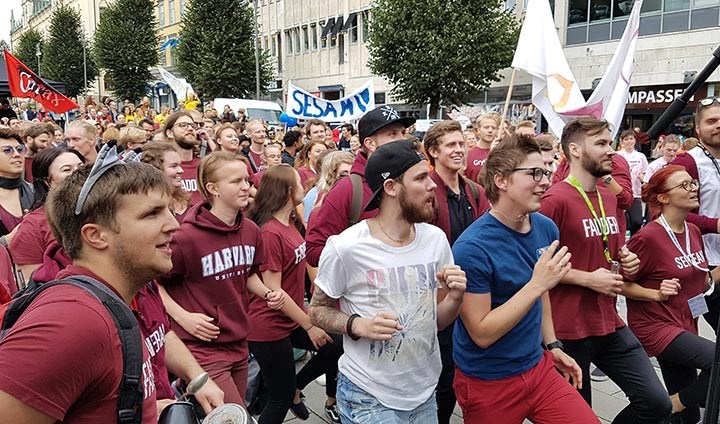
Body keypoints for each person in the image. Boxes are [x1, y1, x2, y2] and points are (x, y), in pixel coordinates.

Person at [0, 158, 176, 422]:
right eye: (152, 214)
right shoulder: (73, 320)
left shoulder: (110, 303)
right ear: (95, 235)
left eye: (169, 210)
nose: (173, 224)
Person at [308, 139, 466, 423]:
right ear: (391, 187)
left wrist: (455, 298)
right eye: (421, 177)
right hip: (367, 395)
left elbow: (437, 322)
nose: (432, 185)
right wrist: (358, 324)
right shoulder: (347, 246)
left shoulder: (436, 240)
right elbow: (317, 310)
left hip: (423, 391)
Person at [452, 135, 598, 424]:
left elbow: (540, 295)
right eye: (535, 173)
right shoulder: (471, 248)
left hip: (538, 368)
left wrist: (553, 345)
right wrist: (537, 284)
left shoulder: (545, 228)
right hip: (489, 381)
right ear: (502, 180)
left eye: (547, 171)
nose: (545, 181)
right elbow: (481, 333)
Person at [539, 117, 672, 423]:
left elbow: (607, 249)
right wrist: (587, 278)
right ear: (574, 150)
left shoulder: (609, 196)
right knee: (579, 417)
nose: (610, 151)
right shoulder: (553, 200)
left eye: (610, 143)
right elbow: (535, 269)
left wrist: (626, 260)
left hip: (609, 321)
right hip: (567, 329)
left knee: (656, 403)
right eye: (600, 143)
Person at [158, 151, 285, 406]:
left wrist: (268, 293)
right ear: (212, 188)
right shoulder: (186, 238)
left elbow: (247, 274)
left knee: (230, 412)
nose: (246, 187)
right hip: (201, 347)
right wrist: (183, 316)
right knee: (233, 415)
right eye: (236, 181)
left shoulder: (250, 230)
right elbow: (151, 283)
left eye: (247, 180)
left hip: (238, 341)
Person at [247, 165, 343, 423]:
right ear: (289, 191)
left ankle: (297, 390)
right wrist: (309, 325)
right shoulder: (269, 232)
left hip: (291, 317)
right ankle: (291, 393)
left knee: (337, 348)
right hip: (269, 326)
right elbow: (273, 289)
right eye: (300, 184)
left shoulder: (288, 222)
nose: (305, 187)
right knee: (279, 397)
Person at [625, 165, 718, 424]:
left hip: (685, 322)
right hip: (655, 325)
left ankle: (671, 409)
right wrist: (655, 293)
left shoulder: (693, 230)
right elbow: (618, 284)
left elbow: (702, 278)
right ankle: (671, 405)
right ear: (663, 198)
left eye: (693, 184)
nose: (693, 189)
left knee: (688, 415)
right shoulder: (648, 237)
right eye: (684, 185)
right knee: (714, 365)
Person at [423, 120, 490, 423]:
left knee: (466, 366)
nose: (460, 150)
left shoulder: (474, 191)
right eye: (451, 145)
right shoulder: (426, 192)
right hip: (438, 296)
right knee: (443, 373)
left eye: (462, 143)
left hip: (473, 292)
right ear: (433, 151)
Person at [305, 105, 414, 267]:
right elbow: (314, 251)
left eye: (402, 133)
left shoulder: (411, 181)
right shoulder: (348, 189)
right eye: (392, 134)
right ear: (370, 143)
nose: (402, 140)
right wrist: (363, 253)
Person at [671, 97, 720, 333]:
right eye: (712, 121)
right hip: (704, 260)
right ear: (698, 129)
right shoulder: (688, 161)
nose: (718, 125)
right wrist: (715, 225)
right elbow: (669, 214)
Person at [9, 147, 85, 281]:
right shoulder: (34, 226)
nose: (78, 174)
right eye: (67, 170)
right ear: (48, 181)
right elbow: (31, 285)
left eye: (81, 167)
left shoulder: (105, 210)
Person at [141, 141, 192, 220]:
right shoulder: (148, 208)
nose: (181, 170)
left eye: (180, 165)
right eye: (174, 166)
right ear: (156, 170)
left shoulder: (187, 199)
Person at [163, 111, 204, 204]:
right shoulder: (162, 167)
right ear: (169, 133)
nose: (190, 129)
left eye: (192, 125)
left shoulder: (205, 165)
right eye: (183, 125)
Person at [0, 129, 33, 240]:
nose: (17, 154)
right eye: (7, 150)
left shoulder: (37, 193)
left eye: (20, 149)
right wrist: (6, 241)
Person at [616, 130, 648, 235]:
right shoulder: (617, 155)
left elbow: (645, 174)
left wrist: (642, 178)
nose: (629, 141)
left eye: (631, 139)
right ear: (621, 142)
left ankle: (634, 243)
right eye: (626, 139)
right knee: (620, 221)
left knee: (637, 221)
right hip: (620, 192)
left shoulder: (641, 156)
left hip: (635, 194)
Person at [465, 111, 500, 184]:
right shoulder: (468, 155)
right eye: (486, 127)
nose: (490, 130)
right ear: (478, 131)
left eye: (493, 128)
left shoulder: (502, 154)